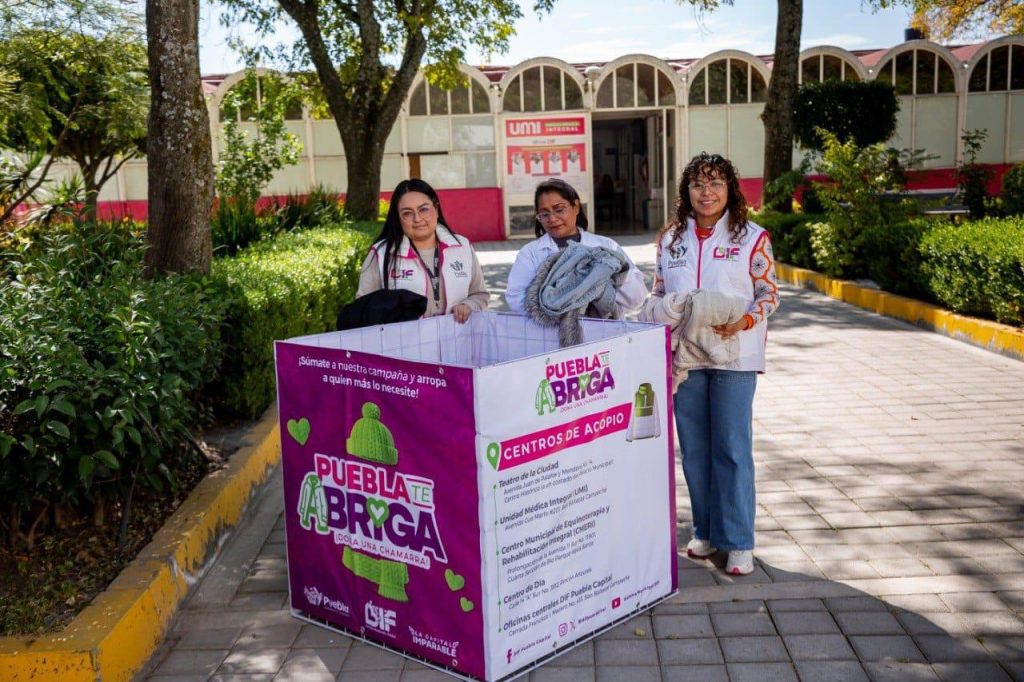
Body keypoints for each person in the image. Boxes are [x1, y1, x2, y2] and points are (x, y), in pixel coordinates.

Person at [652, 152, 779, 576]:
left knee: (732, 449)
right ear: (686, 192)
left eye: (715, 184)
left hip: (735, 356)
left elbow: (769, 295)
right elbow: (656, 294)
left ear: (730, 190)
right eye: (698, 185)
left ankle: (739, 540)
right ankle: (705, 531)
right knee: (695, 451)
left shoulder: (753, 237)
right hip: (685, 359)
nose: (706, 193)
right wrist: (663, 311)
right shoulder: (670, 239)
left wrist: (743, 321)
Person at [505, 178, 647, 315]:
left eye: (559, 210)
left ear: (576, 207)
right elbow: (516, 300)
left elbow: (636, 299)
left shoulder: (606, 246)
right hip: (551, 336)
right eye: (544, 214)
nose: (552, 219)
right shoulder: (530, 253)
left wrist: (604, 282)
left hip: (602, 333)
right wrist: (559, 312)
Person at [357, 178, 489, 323]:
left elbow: (480, 294)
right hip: (404, 343)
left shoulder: (461, 246)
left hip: (456, 342)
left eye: (423, 209)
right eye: (407, 213)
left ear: (436, 210)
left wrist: (468, 305)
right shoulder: (381, 254)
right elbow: (363, 308)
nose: (417, 218)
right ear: (398, 218)